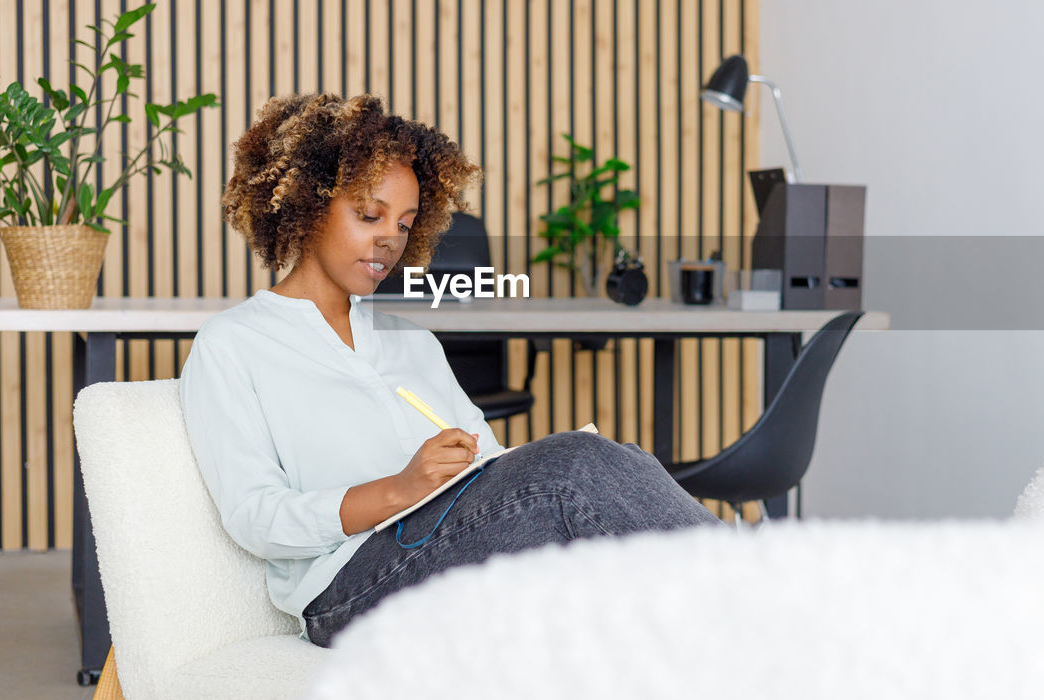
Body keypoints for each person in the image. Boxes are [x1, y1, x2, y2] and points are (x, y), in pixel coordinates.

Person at [179, 92, 722, 648]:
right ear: (306, 204)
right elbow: (255, 517)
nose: (389, 239)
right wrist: (400, 489)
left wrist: (513, 469)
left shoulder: (412, 342)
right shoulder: (234, 344)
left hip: (448, 546)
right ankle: (763, 590)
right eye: (369, 215)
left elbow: (487, 467)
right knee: (574, 470)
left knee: (618, 466)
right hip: (347, 587)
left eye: (406, 223)